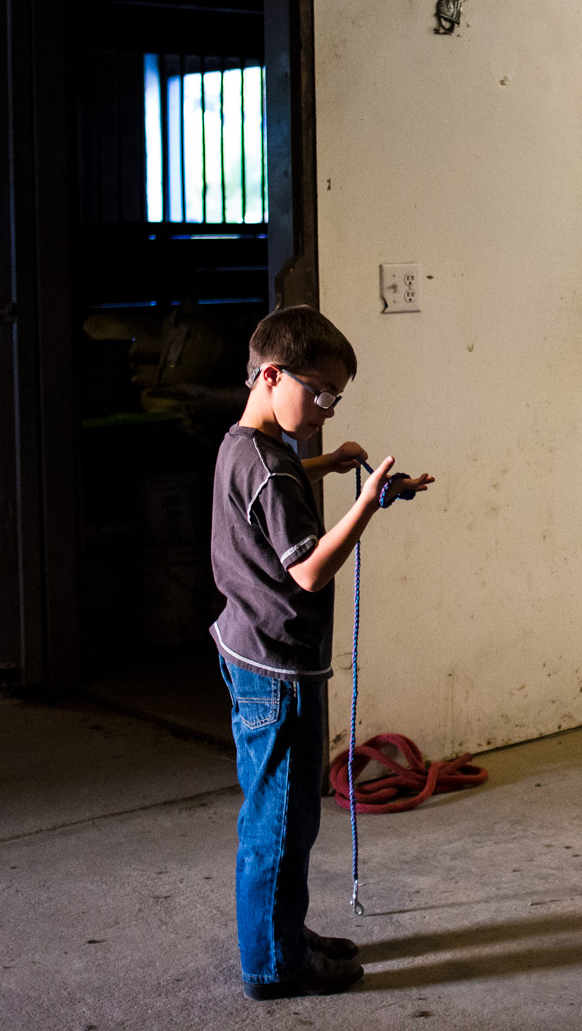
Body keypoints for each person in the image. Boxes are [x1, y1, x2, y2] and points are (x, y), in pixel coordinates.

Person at [208, 305, 434, 1000]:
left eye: (337, 398)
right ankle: (275, 964)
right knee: (282, 819)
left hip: (250, 652)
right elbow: (307, 569)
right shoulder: (273, 470)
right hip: (279, 669)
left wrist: (330, 465)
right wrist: (364, 503)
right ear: (272, 374)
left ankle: (284, 931)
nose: (326, 409)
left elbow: (276, 482)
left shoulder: (246, 444)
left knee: (280, 810)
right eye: (320, 394)